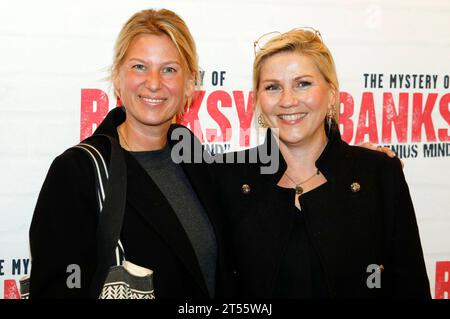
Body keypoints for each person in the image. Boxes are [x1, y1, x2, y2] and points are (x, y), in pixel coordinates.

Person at [28, 8, 233, 299]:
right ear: (118, 77)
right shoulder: (78, 172)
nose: (153, 82)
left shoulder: (199, 163)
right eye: (139, 66)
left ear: (190, 84)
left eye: (169, 69)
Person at [211, 28, 431, 298]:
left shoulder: (378, 174)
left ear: (332, 93)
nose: (288, 100)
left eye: (303, 83)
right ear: (258, 100)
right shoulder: (224, 178)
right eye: (272, 87)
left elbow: (411, 288)